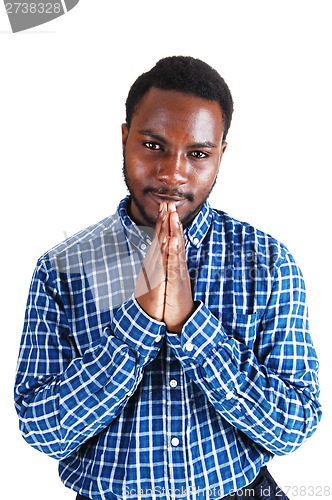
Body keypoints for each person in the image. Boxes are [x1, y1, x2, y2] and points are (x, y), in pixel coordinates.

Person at [14, 56, 322, 500]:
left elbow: (294, 426)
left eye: (198, 153)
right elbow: (44, 432)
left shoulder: (269, 263)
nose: (173, 172)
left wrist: (189, 323)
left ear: (220, 155)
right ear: (124, 139)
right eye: (153, 145)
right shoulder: (62, 269)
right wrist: (140, 320)